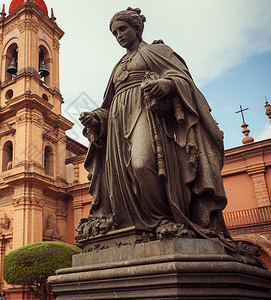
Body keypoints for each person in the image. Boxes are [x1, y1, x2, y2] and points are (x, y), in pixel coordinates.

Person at [77, 7, 231, 244]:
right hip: (118, 121)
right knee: (121, 177)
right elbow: (107, 104)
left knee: (142, 163)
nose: (119, 35)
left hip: (145, 113)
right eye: (114, 32)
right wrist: (96, 118)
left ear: (137, 28)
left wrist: (167, 85)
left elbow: (183, 79)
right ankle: (133, 225)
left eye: (123, 29)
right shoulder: (118, 66)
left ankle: (163, 219)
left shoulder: (157, 51)